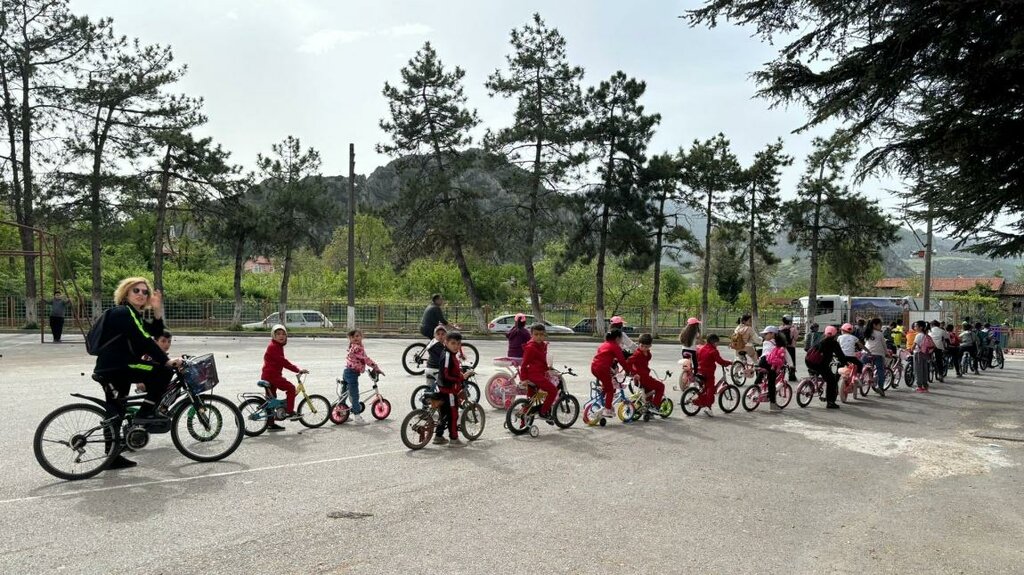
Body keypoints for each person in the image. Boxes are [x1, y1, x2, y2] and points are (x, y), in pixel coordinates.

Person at [91, 277, 182, 469]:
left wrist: (157, 311)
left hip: (116, 367)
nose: (141, 294)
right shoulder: (123, 313)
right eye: (136, 291)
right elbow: (145, 341)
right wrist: (166, 360)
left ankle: (112, 456)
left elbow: (156, 333)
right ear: (125, 293)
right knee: (163, 372)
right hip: (117, 367)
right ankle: (146, 414)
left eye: (145, 292)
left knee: (116, 411)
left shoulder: (132, 314)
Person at [261, 324, 308, 431]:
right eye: (278, 334)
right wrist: (298, 370)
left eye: (283, 334)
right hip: (272, 376)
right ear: (273, 336)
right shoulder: (274, 347)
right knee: (291, 388)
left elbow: (281, 362)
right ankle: (290, 411)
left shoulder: (276, 345)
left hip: (268, 375)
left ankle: (271, 424)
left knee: (270, 400)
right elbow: (283, 362)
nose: (281, 336)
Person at [804, 325, 851, 409]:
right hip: (821, 364)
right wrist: (846, 363)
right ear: (835, 334)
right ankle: (830, 402)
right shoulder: (833, 343)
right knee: (832, 381)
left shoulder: (819, 339)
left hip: (809, 362)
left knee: (816, 371)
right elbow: (840, 356)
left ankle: (812, 381)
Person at [343, 329, 383, 425]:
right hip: (352, 374)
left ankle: (342, 413)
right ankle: (357, 417)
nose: (355, 338)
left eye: (357, 336)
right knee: (355, 396)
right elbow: (366, 359)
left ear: (361, 337)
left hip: (346, 372)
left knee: (344, 394)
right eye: (353, 337)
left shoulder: (353, 346)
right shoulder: (358, 348)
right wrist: (376, 367)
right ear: (350, 339)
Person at [434, 331, 467, 447]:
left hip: (443, 389)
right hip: (448, 390)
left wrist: (460, 373)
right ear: (446, 343)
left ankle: (438, 436)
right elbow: (446, 374)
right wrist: (460, 377)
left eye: (458, 344)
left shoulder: (450, 354)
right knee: (453, 415)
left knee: (444, 414)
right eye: (453, 343)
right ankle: (454, 439)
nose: (456, 346)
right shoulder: (448, 355)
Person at [520, 323, 556, 422]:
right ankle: (543, 412)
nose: (539, 337)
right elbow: (524, 364)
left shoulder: (542, 345)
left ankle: (524, 424)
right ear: (531, 335)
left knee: (531, 400)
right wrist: (523, 379)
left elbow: (542, 361)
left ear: (544, 335)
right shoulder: (530, 347)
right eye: (536, 334)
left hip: (539, 374)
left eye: (541, 334)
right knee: (553, 391)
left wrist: (549, 367)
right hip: (534, 375)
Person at [591, 329, 630, 418]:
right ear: (617, 338)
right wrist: (628, 371)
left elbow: (604, 357)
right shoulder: (615, 346)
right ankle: (607, 409)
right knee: (610, 389)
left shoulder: (604, 344)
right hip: (603, 369)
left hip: (594, 367)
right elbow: (622, 361)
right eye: (621, 339)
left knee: (607, 386)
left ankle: (604, 400)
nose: (621, 341)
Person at [696, 334, 732, 416]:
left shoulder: (701, 348)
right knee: (710, 390)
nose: (717, 344)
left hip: (699, 371)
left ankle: (701, 401)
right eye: (717, 343)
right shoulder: (713, 351)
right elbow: (720, 361)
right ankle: (708, 408)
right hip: (708, 373)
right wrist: (729, 363)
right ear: (713, 342)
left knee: (704, 388)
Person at [626, 334, 665, 411]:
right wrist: (634, 373)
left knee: (649, 392)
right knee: (661, 386)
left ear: (650, 346)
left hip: (643, 378)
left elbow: (647, 358)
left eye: (646, 347)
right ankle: (655, 405)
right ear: (638, 344)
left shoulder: (646, 353)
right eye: (642, 346)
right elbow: (627, 362)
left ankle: (648, 409)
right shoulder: (638, 354)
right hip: (642, 379)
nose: (644, 348)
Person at [755, 326, 785, 411]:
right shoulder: (779, 344)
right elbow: (785, 355)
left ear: (772, 334)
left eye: (766, 334)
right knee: (772, 382)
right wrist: (791, 365)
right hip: (770, 363)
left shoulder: (765, 342)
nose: (764, 335)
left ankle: (754, 388)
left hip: (762, 362)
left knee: (761, 373)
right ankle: (772, 404)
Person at [837, 323, 863, 402]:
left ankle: (836, 382)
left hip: (842, 357)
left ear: (843, 330)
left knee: (838, 370)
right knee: (860, 364)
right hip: (851, 357)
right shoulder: (854, 337)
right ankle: (857, 376)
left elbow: (837, 345)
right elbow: (861, 345)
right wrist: (867, 351)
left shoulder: (839, 337)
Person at [863, 318, 888, 397]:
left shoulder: (867, 332)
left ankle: (861, 378)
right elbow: (884, 345)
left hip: (866, 353)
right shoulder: (879, 333)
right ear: (875, 325)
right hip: (877, 354)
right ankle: (880, 387)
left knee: (862, 366)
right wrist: (886, 353)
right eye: (880, 325)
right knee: (880, 370)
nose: (881, 326)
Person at [912, 321, 933, 392]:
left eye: (916, 326)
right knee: (924, 370)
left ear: (920, 327)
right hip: (925, 354)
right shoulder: (925, 335)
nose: (915, 328)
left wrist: (910, 350)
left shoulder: (918, 335)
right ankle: (925, 386)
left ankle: (919, 387)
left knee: (918, 370)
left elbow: (913, 346)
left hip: (918, 353)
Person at [779, 315, 799, 381]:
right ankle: (792, 376)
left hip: (782, 347)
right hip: (791, 347)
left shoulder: (780, 328)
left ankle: (780, 375)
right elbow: (796, 338)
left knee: (782, 361)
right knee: (792, 361)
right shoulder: (793, 329)